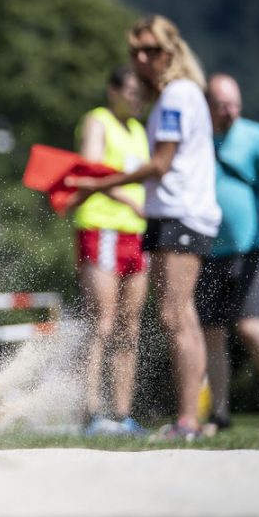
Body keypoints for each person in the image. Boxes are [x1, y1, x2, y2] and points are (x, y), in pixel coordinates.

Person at [68, 15, 221, 439]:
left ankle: (185, 419)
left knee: (172, 317)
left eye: (150, 50)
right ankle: (115, 413)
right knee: (156, 318)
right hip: (141, 221)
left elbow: (159, 166)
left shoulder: (173, 98)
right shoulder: (172, 99)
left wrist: (100, 183)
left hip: (173, 217)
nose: (140, 59)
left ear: (169, 53)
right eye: (135, 51)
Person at [198, 73, 259, 434]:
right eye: (224, 105)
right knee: (210, 332)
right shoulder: (198, 140)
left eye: (235, 104)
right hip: (207, 250)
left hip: (254, 246)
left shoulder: (256, 135)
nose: (231, 112)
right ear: (208, 105)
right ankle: (219, 414)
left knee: (251, 325)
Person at [66, 68, 150, 436]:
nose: (136, 99)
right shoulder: (97, 121)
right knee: (102, 321)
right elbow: (89, 170)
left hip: (137, 233)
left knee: (129, 325)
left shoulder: (140, 132)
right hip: (101, 227)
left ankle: (122, 413)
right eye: (130, 91)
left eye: (140, 94)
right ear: (113, 91)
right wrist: (128, 200)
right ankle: (91, 412)